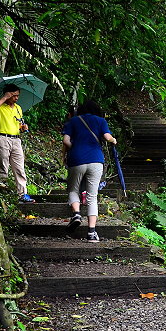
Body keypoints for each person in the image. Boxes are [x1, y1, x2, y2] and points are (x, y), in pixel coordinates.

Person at [61, 99, 117, 242]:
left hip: (76, 159)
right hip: (96, 160)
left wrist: (68, 152)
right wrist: (113, 140)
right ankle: (91, 233)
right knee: (92, 196)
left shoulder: (72, 121)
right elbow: (107, 137)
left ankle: (77, 214)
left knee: (73, 190)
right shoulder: (100, 121)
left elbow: (66, 142)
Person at [0, 83, 35, 203]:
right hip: (2, 138)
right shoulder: (0, 106)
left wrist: (23, 128)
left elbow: (19, 124)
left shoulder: (18, 108)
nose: (16, 98)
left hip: (16, 139)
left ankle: (22, 194)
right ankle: (2, 192)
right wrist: (4, 98)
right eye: (14, 95)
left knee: (19, 167)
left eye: (17, 95)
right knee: (3, 165)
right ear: (8, 94)